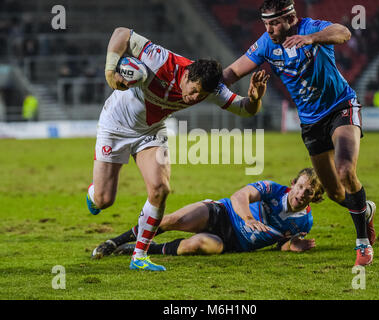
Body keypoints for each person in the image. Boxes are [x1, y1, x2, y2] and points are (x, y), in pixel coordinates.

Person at [86, 27, 269, 271]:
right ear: (187, 75)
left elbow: (245, 110)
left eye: (201, 95)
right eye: (193, 91)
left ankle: (139, 256)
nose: (194, 98)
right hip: (115, 126)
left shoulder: (210, 88)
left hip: (150, 132)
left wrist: (255, 99)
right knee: (104, 200)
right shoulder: (161, 60)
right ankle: (93, 194)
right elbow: (121, 33)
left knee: (161, 189)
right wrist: (111, 70)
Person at [222, 0, 376, 266]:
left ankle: (362, 244)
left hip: (341, 106)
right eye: (266, 24)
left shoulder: (311, 27)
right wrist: (198, 84)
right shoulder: (266, 44)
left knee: (345, 171)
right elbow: (231, 73)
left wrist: (310, 39)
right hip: (310, 122)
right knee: (336, 193)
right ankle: (366, 210)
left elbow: (344, 32)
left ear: (291, 18)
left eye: (274, 23)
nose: (269, 29)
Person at [91, 168, 324, 258]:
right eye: (300, 186)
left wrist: (292, 246)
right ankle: (115, 241)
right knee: (173, 220)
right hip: (222, 213)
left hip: (232, 243)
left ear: (315, 197)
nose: (301, 193)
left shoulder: (305, 222)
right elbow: (239, 196)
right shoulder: (272, 189)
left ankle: (139, 249)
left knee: (197, 245)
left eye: (309, 191)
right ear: (293, 183)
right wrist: (248, 218)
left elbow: (279, 244)